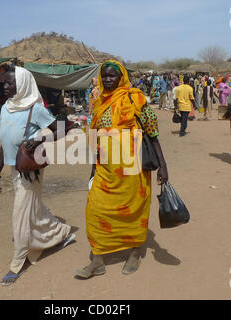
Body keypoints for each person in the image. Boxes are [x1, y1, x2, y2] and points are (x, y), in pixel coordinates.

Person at [75, 60, 168, 278]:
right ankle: (97, 261)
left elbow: (152, 134)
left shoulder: (134, 98)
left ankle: (134, 252)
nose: (107, 79)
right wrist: (92, 170)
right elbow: (95, 140)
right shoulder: (98, 102)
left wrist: (163, 167)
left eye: (112, 76)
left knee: (134, 213)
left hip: (133, 172)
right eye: (104, 75)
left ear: (121, 77)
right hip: (105, 170)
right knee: (94, 211)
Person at [0, 66, 76, 286]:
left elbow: (62, 128)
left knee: (20, 212)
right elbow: (4, 142)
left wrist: (39, 140)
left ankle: (17, 262)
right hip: (13, 167)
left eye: (11, 83)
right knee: (34, 209)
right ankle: (60, 233)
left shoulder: (35, 108)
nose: (7, 87)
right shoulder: (6, 108)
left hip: (31, 170)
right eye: (5, 84)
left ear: (24, 84)